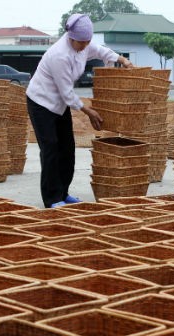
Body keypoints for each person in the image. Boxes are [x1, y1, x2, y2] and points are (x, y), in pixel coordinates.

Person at [26, 13, 132, 208]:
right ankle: (52, 199)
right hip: (41, 102)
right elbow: (67, 93)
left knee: (67, 149)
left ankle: (63, 193)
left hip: (59, 105)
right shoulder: (60, 55)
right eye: (80, 42)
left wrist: (121, 59)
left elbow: (101, 51)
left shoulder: (84, 44)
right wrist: (89, 112)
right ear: (70, 37)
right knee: (50, 149)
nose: (84, 46)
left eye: (87, 41)